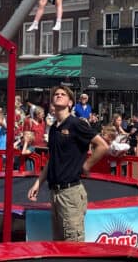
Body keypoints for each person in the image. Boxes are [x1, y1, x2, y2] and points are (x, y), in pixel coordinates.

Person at [28, 85, 108, 242]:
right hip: (55, 193)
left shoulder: (76, 124)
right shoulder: (53, 129)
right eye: (56, 94)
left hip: (70, 193)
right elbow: (53, 159)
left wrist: (86, 165)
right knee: (59, 243)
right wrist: (38, 183)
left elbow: (102, 146)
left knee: (73, 244)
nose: (58, 95)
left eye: (62, 94)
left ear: (70, 103)